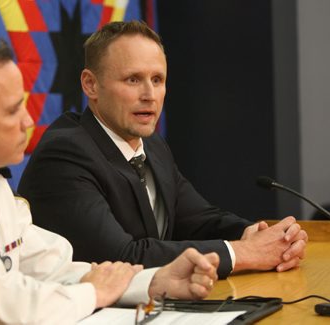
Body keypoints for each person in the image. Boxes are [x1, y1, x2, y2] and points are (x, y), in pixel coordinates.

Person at [0, 35, 220, 324]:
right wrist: (95, 292)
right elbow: (6, 311)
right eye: (11, 110)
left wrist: (155, 282)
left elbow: (53, 267)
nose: (27, 121)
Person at [18, 20, 308, 280]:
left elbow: (198, 220)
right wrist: (243, 253)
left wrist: (259, 236)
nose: (149, 95)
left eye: (157, 80)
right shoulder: (65, 153)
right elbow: (121, 258)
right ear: (91, 85)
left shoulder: (152, 145)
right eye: (133, 79)